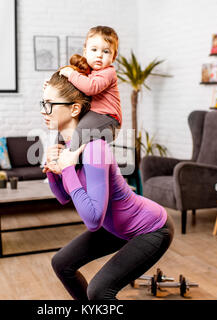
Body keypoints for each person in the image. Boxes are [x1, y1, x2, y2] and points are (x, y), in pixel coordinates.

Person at [40, 59, 175, 301]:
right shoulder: (70, 146)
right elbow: (62, 197)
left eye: (50, 104)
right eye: (43, 103)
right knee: (62, 263)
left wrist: (68, 170)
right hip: (117, 228)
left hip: (151, 229)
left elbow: (93, 220)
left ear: (74, 109)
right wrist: (53, 170)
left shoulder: (94, 148)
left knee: (100, 291)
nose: (43, 110)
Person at [56, 25, 122, 152]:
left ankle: (69, 161)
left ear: (114, 56)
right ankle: (55, 157)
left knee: (80, 132)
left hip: (108, 119)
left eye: (106, 51)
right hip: (93, 116)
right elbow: (70, 87)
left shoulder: (108, 72)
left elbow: (91, 87)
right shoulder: (87, 72)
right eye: (94, 50)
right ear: (85, 51)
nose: (99, 55)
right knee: (63, 129)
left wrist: (71, 74)